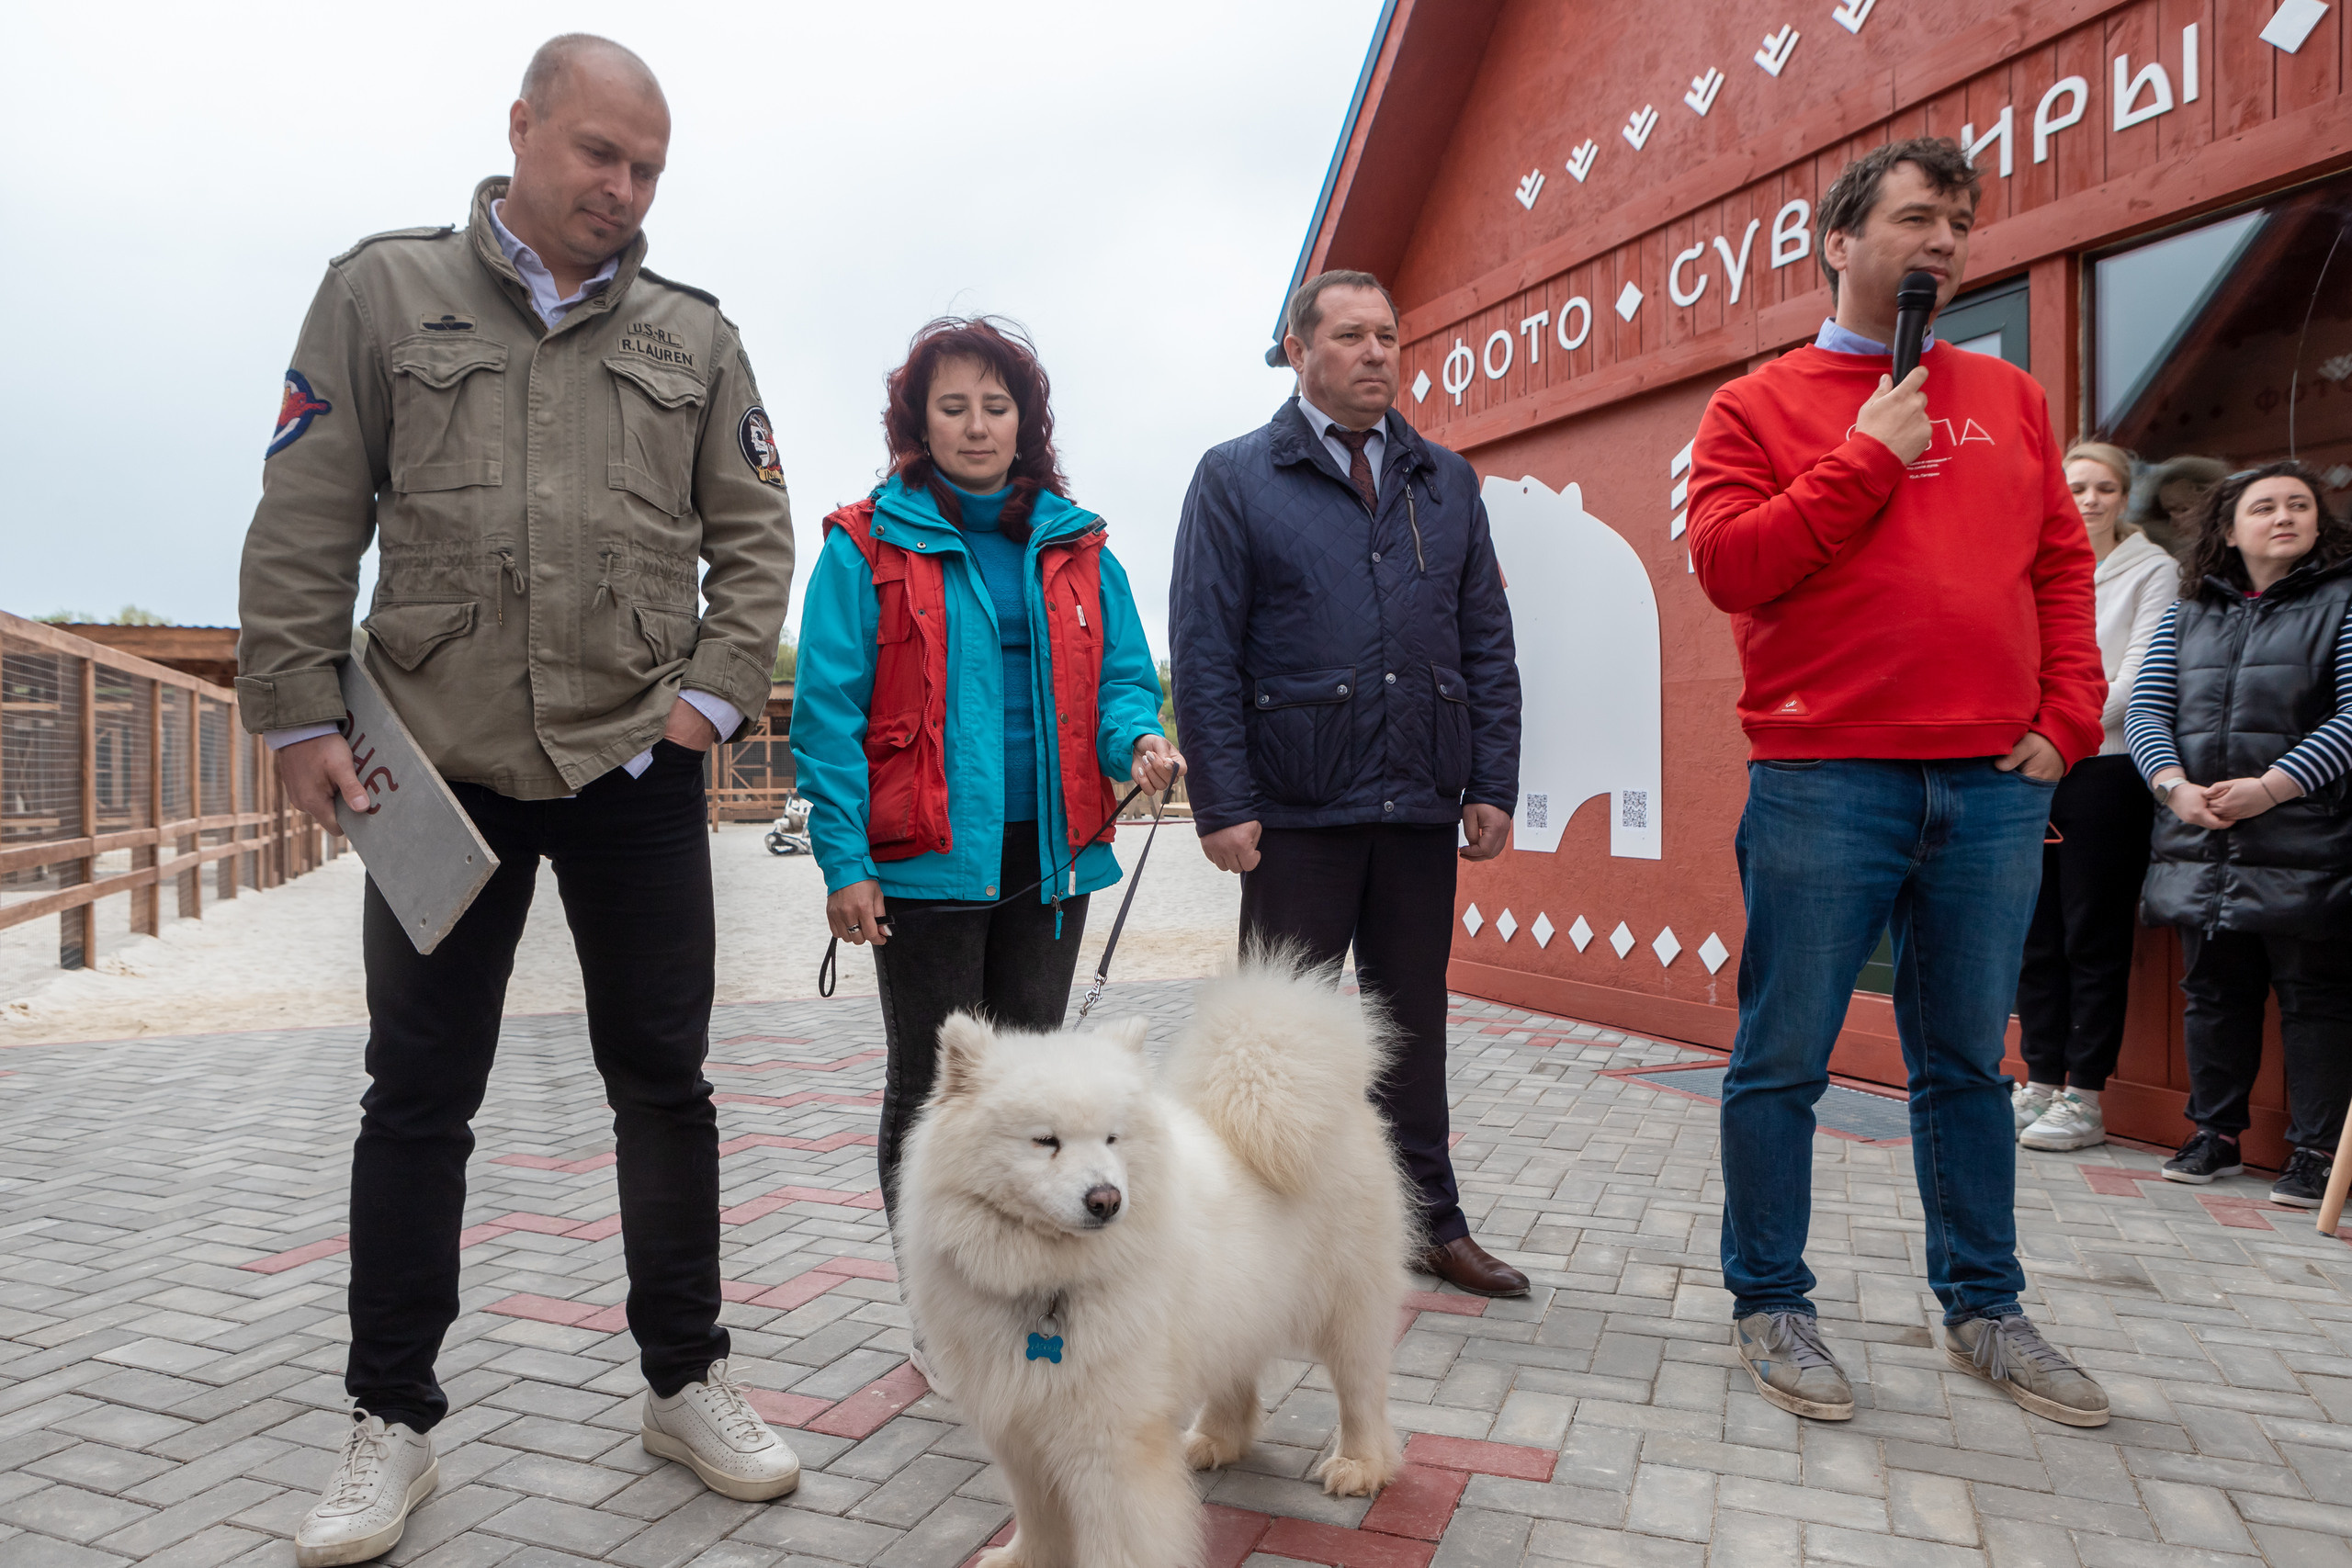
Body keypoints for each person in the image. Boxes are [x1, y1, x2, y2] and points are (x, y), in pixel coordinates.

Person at [234, 37, 800, 1565]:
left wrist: (709, 696)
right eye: (597, 154)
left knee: (663, 1084)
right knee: (417, 1097)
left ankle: (687, 1380)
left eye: (646, 170)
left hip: (630, 768)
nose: (620, 190)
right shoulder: (381, 295)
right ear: (523, 131)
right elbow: (304, 516)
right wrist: (295, 707)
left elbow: (755, 533)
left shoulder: (696, 337)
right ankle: (391, 1420)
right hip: (439, 768)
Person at [1687, 138, 2112, 1427]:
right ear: (1838, 240)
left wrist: (2068, 718)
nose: (1946, 242)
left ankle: (1986, 1304)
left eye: (1960, 223)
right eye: (1919, 217)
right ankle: (1771, 1298)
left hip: (1991, 784)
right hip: (1827, 777)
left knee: (1970, 1064)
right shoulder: (1754, 406)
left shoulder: (2011, 399)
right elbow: (1730, 567)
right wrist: (1867, 455)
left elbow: (2059, 566)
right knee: (1783, 1058)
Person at [1170, 269, 1527, 1298]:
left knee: (1413, 1026)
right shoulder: (1236, 476)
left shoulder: (1443, 479)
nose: (1377, 353)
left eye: (1388, 336)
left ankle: (1428, 1223)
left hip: (1418, 801)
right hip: (1293, 812)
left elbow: (1485, 643)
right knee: (1274, 1039)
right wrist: (1224, 804)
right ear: (1298, 350)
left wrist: (1489, 779)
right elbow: (1204, 651)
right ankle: (1242, 1231)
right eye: (1352, 336)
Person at [791, 316, 1179, 1232]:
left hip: (1050, 855)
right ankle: (934, 1291)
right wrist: (844, 863)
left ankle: (1022, 1278)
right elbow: (828, 715)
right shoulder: (862, 547)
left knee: (1034, 1083)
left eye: (995, 407)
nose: (975, 425)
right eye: (952, 407)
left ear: (1025, 422)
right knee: (936, 1083)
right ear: (917, 425)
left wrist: (1138, 742)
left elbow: (1123, 679)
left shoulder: (1083, 550)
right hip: (925, 858)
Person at [2126, 461, 2352, 1207]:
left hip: (2309, 838)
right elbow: (2147, 710)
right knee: (2213, 993)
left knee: (2314, 999)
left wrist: (2271, 789)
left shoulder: (2344, 599)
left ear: (2320, 523)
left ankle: (2317, 1152)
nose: (2284, 515)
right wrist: (2172, 787)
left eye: (2300, 504)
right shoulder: (2188, 610)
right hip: (2201, 837)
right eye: (2265, 506)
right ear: (2229, 526)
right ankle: (2214, 1134)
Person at [2013, 443, 2176, 1151]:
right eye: (2075, 485)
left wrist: (2057, 727)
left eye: (2104, 486)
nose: (2088, 499)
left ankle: (2085, 1098)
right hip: (2026, 766)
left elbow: (2138, 677)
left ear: (2125, 495)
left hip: (2104, 770)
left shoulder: (2154, 571)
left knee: (2092, 936)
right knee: (2035, 935)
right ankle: (2039, 1082)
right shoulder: (2034, 563)